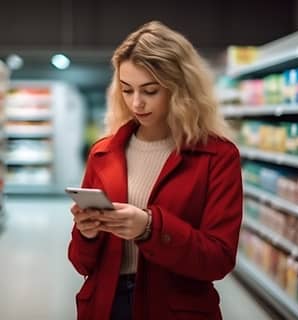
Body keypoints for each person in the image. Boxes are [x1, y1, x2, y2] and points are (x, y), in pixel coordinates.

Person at [68, 20, 243, 320]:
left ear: (180, 88)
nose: (136, 103)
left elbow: (219, 260)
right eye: (127, 89)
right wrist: (87, 234)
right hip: (105, 305)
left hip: (174, 309)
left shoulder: (217, 156)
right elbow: (81, 263)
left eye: (150, 90)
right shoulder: (103, 152)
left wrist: (150, 228)